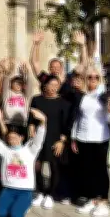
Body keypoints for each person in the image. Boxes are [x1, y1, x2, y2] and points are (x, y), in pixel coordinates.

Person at [0, 109, 46, 217]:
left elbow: (39, 140)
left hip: (25, 190)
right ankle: (14, 205)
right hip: (8, 189)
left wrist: (43, 122)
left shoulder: (30, 150)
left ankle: (25, 204)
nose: (12, 140)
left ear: (21, 138)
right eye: (10, 138)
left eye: (15, 138)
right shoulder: (5, 150)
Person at [71, 66, 110, 217]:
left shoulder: (104, 95)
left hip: (100, 138)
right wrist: (74, 137)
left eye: (96, 77)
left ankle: (103, 201)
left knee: (101, 170)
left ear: (100, 79)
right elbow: (78, 117)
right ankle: (91, 199)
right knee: (87, 170)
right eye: (89, 77)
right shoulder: (83, 96)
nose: (93, 80)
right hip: (84, 137)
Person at [28, 76, 70, 209]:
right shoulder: (37, 99)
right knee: (37, 165)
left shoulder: (63, 102)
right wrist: (31, 126)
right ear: (44, 85)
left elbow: (67, 124)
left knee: (54, 167)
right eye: (50, 84)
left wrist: (62, 141)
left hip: (55, 138)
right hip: (39, 138)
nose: (53, 88)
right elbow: (31, 117)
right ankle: (40, 191)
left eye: (56, 85)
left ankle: (50, 195)